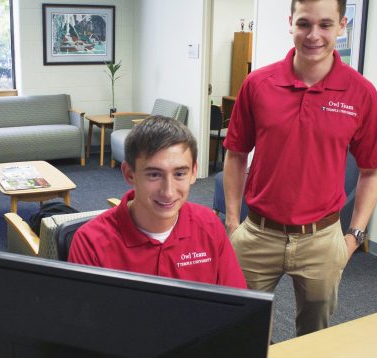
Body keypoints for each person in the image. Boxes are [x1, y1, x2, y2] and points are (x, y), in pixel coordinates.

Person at [223, 0, 377, 336]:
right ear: (291, 23)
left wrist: (353, 236)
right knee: (242, 331)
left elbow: (372, 171)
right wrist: (231, 222)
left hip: (322, 239)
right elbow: (236, 154)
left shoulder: (361, 93)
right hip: (256, 234)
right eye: (304, 24)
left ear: (341, 25)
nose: (314, 35)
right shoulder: (258, 84)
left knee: (315, 338)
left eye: (325, 25)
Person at [68, 115, 247, 289]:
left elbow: (237, 307)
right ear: (129, 174)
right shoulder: (90, 242)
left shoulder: (210, 225)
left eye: (179, 174)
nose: (168, 192)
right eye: (154, 174)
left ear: (193, 173)